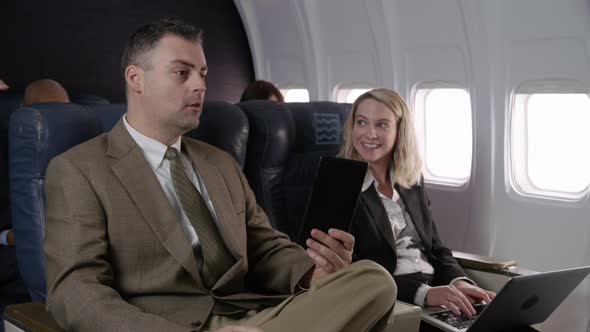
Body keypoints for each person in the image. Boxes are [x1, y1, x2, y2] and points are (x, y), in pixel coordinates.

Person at [43, 18, 396, 332]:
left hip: (255, 314)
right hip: (170, 324)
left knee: (374, 280)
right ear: (136, 78)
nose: (199, 85)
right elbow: (75, 292)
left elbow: (264, 248)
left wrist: (310, 272)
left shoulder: (219, 162)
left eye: (203, 74)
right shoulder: (80, 170)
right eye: (182, 73)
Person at [340, 88, 495, 317]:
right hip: (393, 303)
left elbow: (436, 249)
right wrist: (424, 294)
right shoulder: (341, 184)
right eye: (362, 122)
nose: (369, 134)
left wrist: (459, 281)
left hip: (436, 292)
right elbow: (350, 272)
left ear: (400, 131)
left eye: (382, 125)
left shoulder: (410, 180)